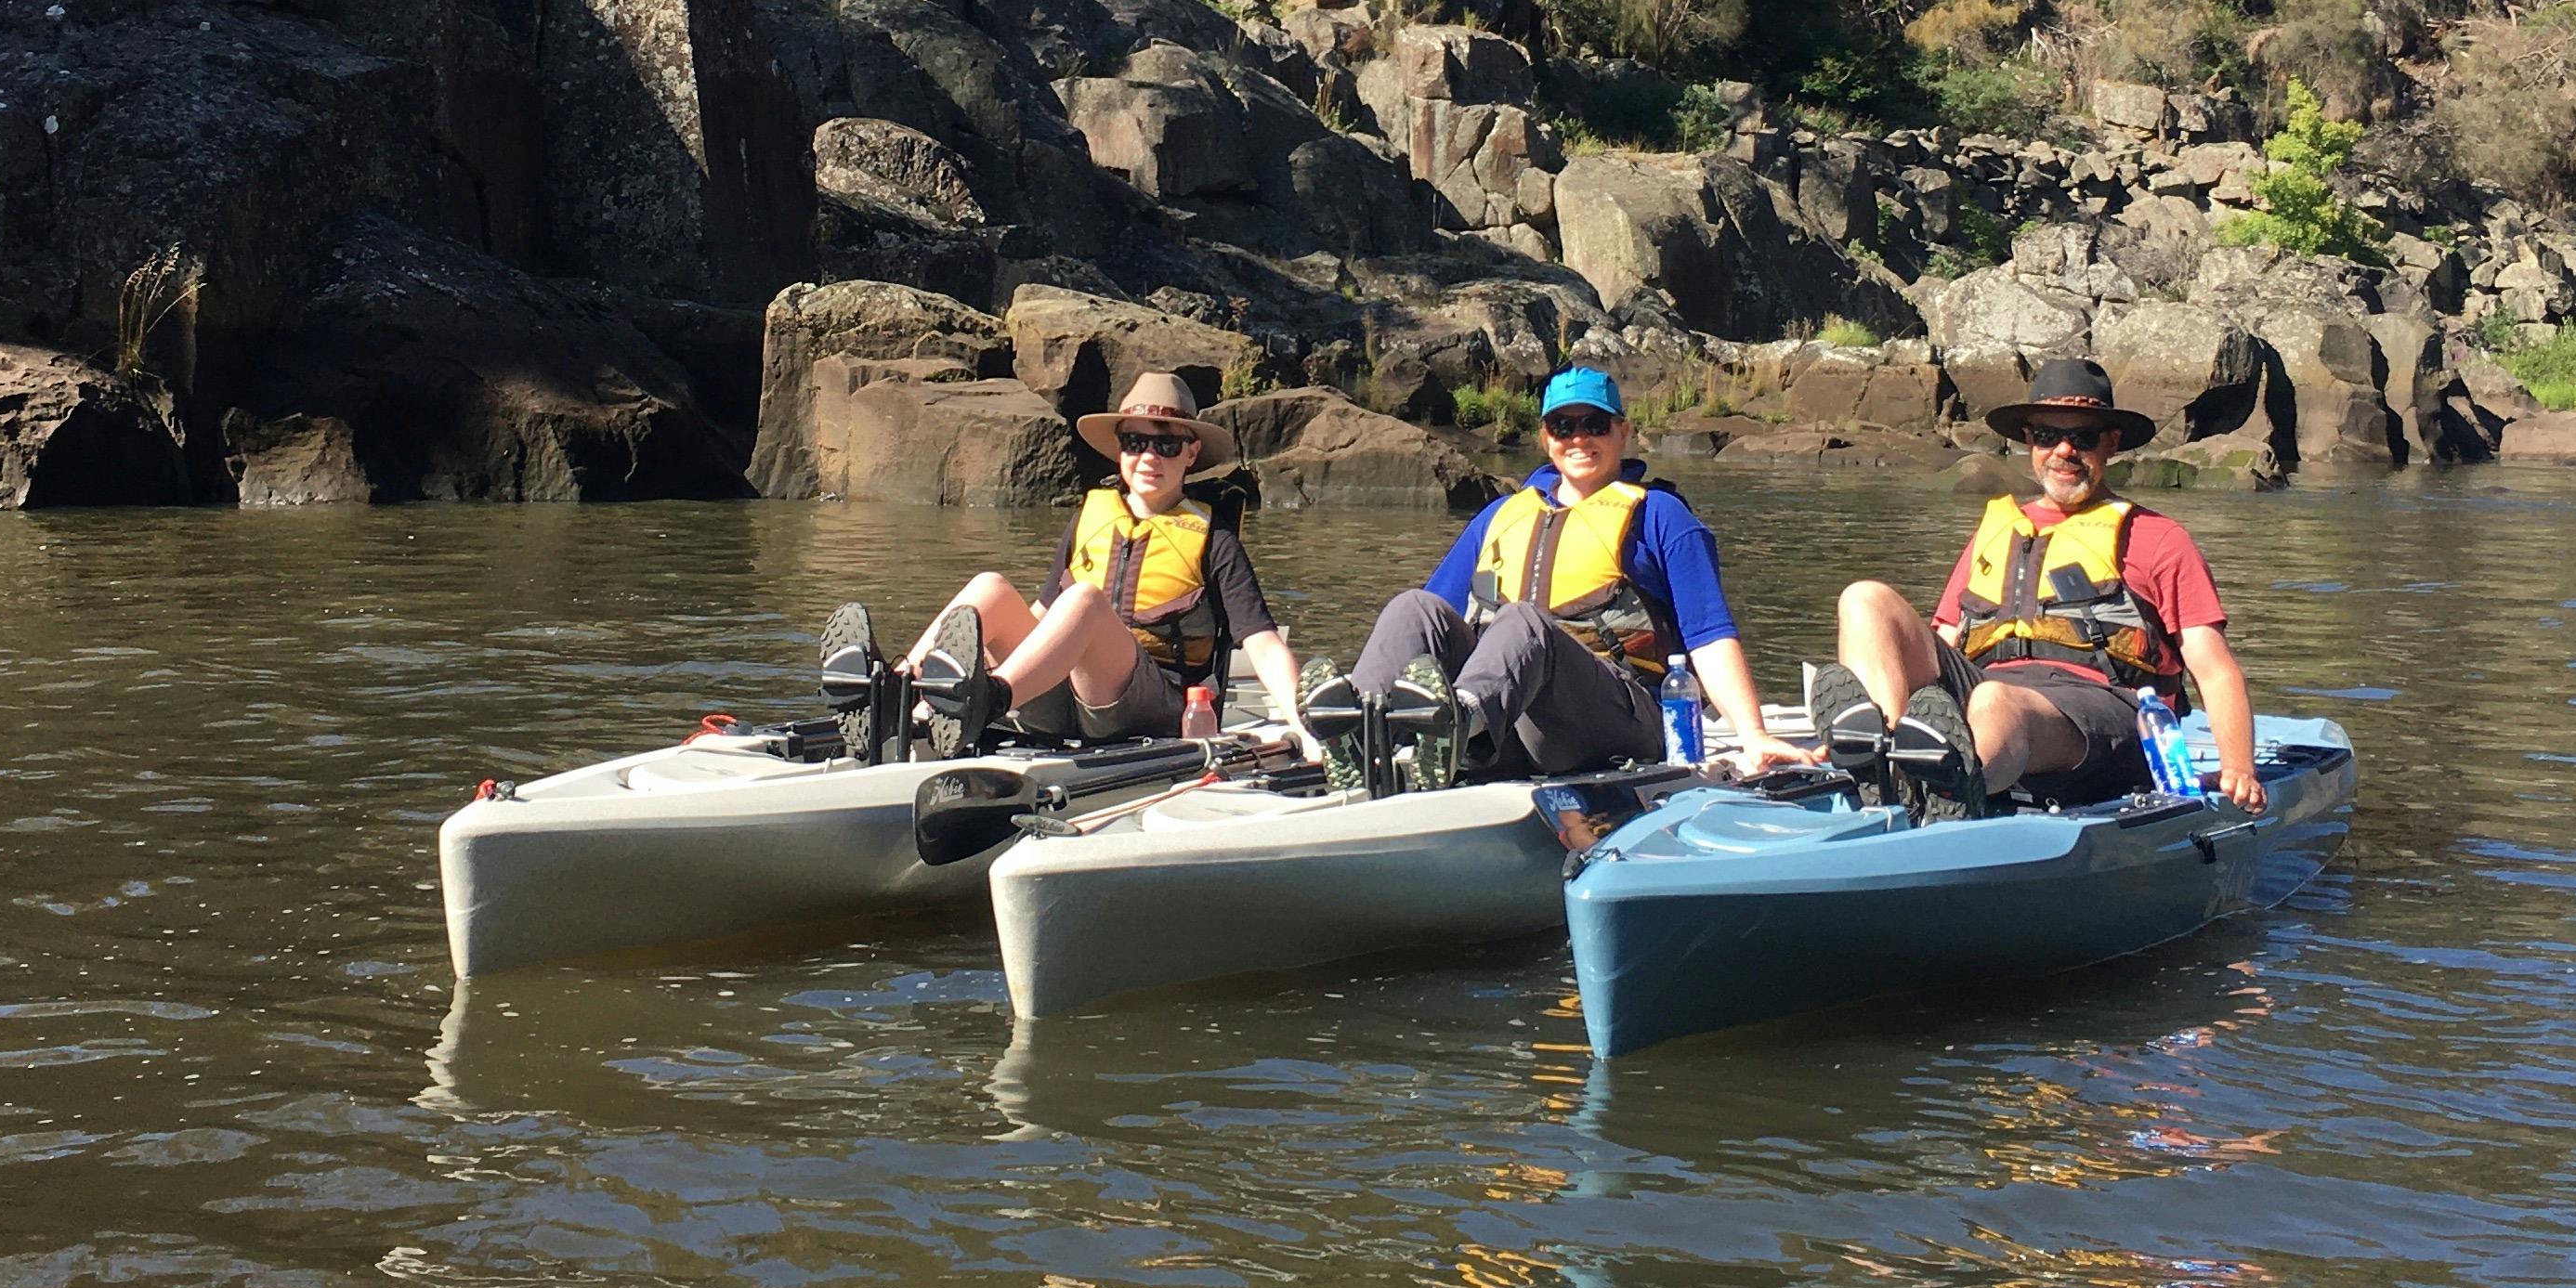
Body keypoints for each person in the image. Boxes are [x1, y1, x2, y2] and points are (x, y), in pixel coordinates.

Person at [1308, 366, 1815, 787]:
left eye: (1594, 424)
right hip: (1510, 722)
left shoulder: (1661, 515)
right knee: (1411, 607)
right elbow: (1435, 621)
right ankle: (1359, 730)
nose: (1579, 438)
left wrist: (1753, 734)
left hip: (1614, 718)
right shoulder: (1502, 516)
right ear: (1545, 437)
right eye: (1563, 426)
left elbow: (1709, 634)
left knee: (1524, 622)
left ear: (1623, 431)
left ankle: (1454, 727)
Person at [1815, 357, 2264, 818]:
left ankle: (1950, 787)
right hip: (1987, 687)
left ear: (2111, 444)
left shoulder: (2160, 539)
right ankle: (1888, 763)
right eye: (2048, 435)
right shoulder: (1997, 533)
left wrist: (2238, 768)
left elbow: (2213, 668)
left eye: (2083, 438)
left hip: (2106, 712)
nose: (2064, 450)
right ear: (2030, 441)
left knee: (1995, 701)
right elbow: (1945, 642)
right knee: (1865, 599)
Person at [818, 370, 1305, 760]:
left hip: (1152, 705)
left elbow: (1261, 643)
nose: (1149, 457)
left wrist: (1302, 723)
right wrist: (984, 652)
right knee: (989, 587)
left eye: (1167, 444)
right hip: (1060, 700)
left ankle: (983, 702)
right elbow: (1038, 616)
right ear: (1120, 450)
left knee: (1085, 601)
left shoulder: (1215, 537)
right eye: (1135, 442)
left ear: (1191, 453)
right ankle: (897, 693)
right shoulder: (1089, 519)